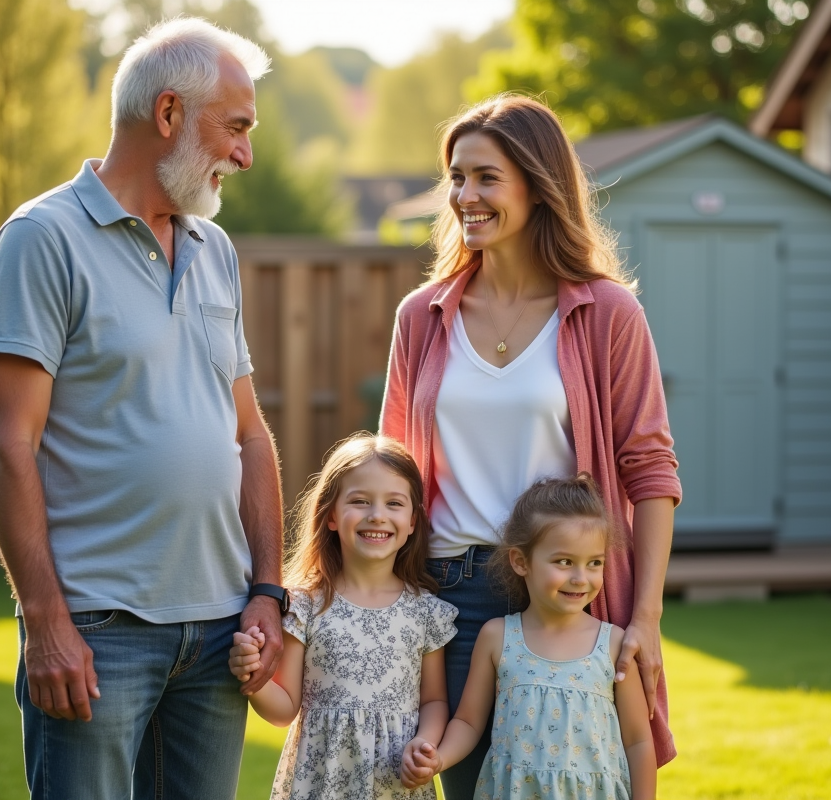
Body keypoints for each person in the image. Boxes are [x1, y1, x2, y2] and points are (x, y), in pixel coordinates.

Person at [0, 19, 285, 800]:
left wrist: (268, 593)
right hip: (97, 631)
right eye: (237, 127)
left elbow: (248, 435)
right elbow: (9, 443)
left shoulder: (215, 251)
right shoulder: (40, 240)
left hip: (220, 633)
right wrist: (46, 623)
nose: (246, 154)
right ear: (170, 113)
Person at [379, 93, 682, 799]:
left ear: (538, 186)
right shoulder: (422, 317)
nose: (464, 196)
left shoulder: (607, 313)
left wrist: (646, 617)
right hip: (448, 599)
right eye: (456, 177)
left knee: (579, 781)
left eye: (486, 177)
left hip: (566, 598)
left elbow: (651, 470)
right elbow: (395, 465)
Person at [228, 434, 457, 799]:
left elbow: (433, 701)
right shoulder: (306, 606)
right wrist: (254, 675)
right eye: (360, 501)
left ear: (413, 521)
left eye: (394, 503)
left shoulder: (426, 612)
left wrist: (426, 744)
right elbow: (284, 710)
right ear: (331, 515)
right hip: (322, 783)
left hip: (395, 784)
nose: (377, 515)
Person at [400, 475, 656, 800]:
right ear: (521, 562)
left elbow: (638, 740)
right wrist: (439, 758)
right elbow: (467, 722)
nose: (581, 578)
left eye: (594, 563)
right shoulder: (498, 638)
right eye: (564, 562)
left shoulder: (614, 644)